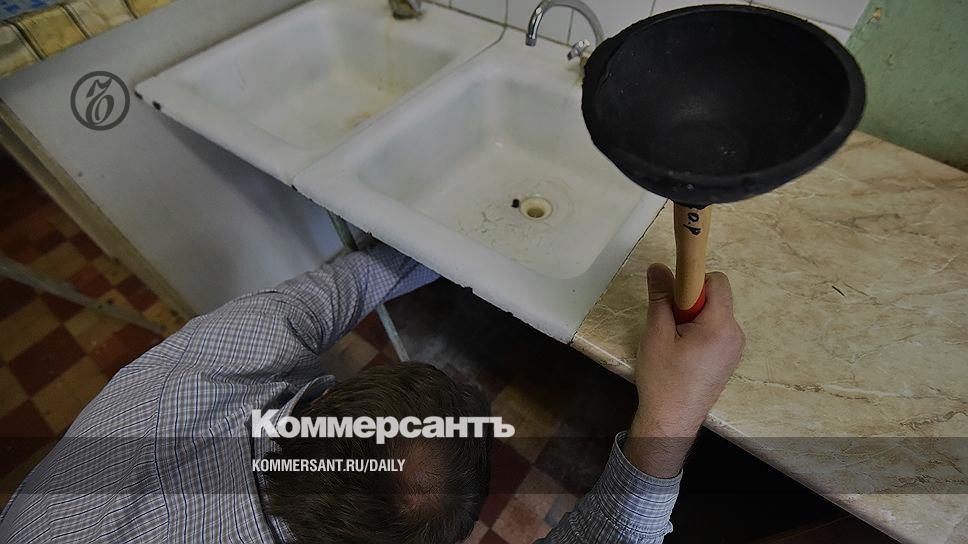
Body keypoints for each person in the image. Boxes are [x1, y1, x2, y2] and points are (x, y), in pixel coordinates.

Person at [0, 243, 744, 543]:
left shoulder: (176, 386)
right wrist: (675, 409)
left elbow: (333, 289)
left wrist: (451, 241)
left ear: (322, 407)